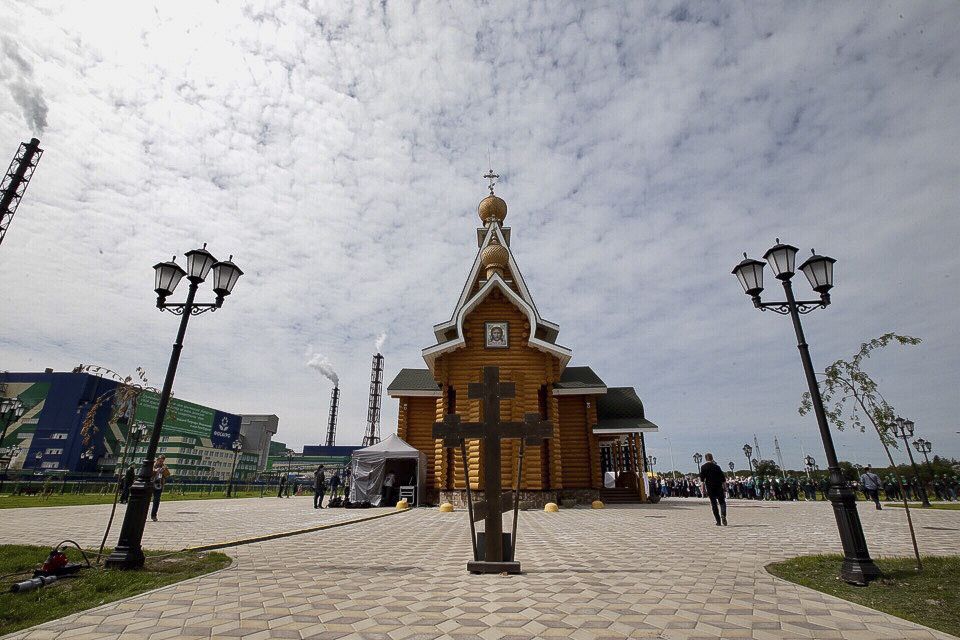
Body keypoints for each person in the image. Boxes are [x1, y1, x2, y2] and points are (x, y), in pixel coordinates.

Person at [698, 453, 728, 526]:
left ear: (706, 459)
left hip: (710, 487)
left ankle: (718, 521)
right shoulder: (717, 467)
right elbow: (723, 478)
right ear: (712, 458)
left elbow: (702, 480)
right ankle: (723, 514)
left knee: (713, 504)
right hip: (718, 486)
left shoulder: (703, 467)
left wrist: (703, 489)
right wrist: (725, 487)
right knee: (722, 502)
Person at [150, 455, 171, 521]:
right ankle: (142, 514)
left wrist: (164, 470)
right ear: (157, 460)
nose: (161, 462)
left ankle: (154, 515)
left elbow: (167, 474)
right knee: (146, 500)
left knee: (156, 501)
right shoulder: (152, 465)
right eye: (160, 461)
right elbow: (150, 473)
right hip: (151, 484)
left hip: (159, 485)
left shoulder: (164, 467)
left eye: (162, 461)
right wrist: (156, 471)